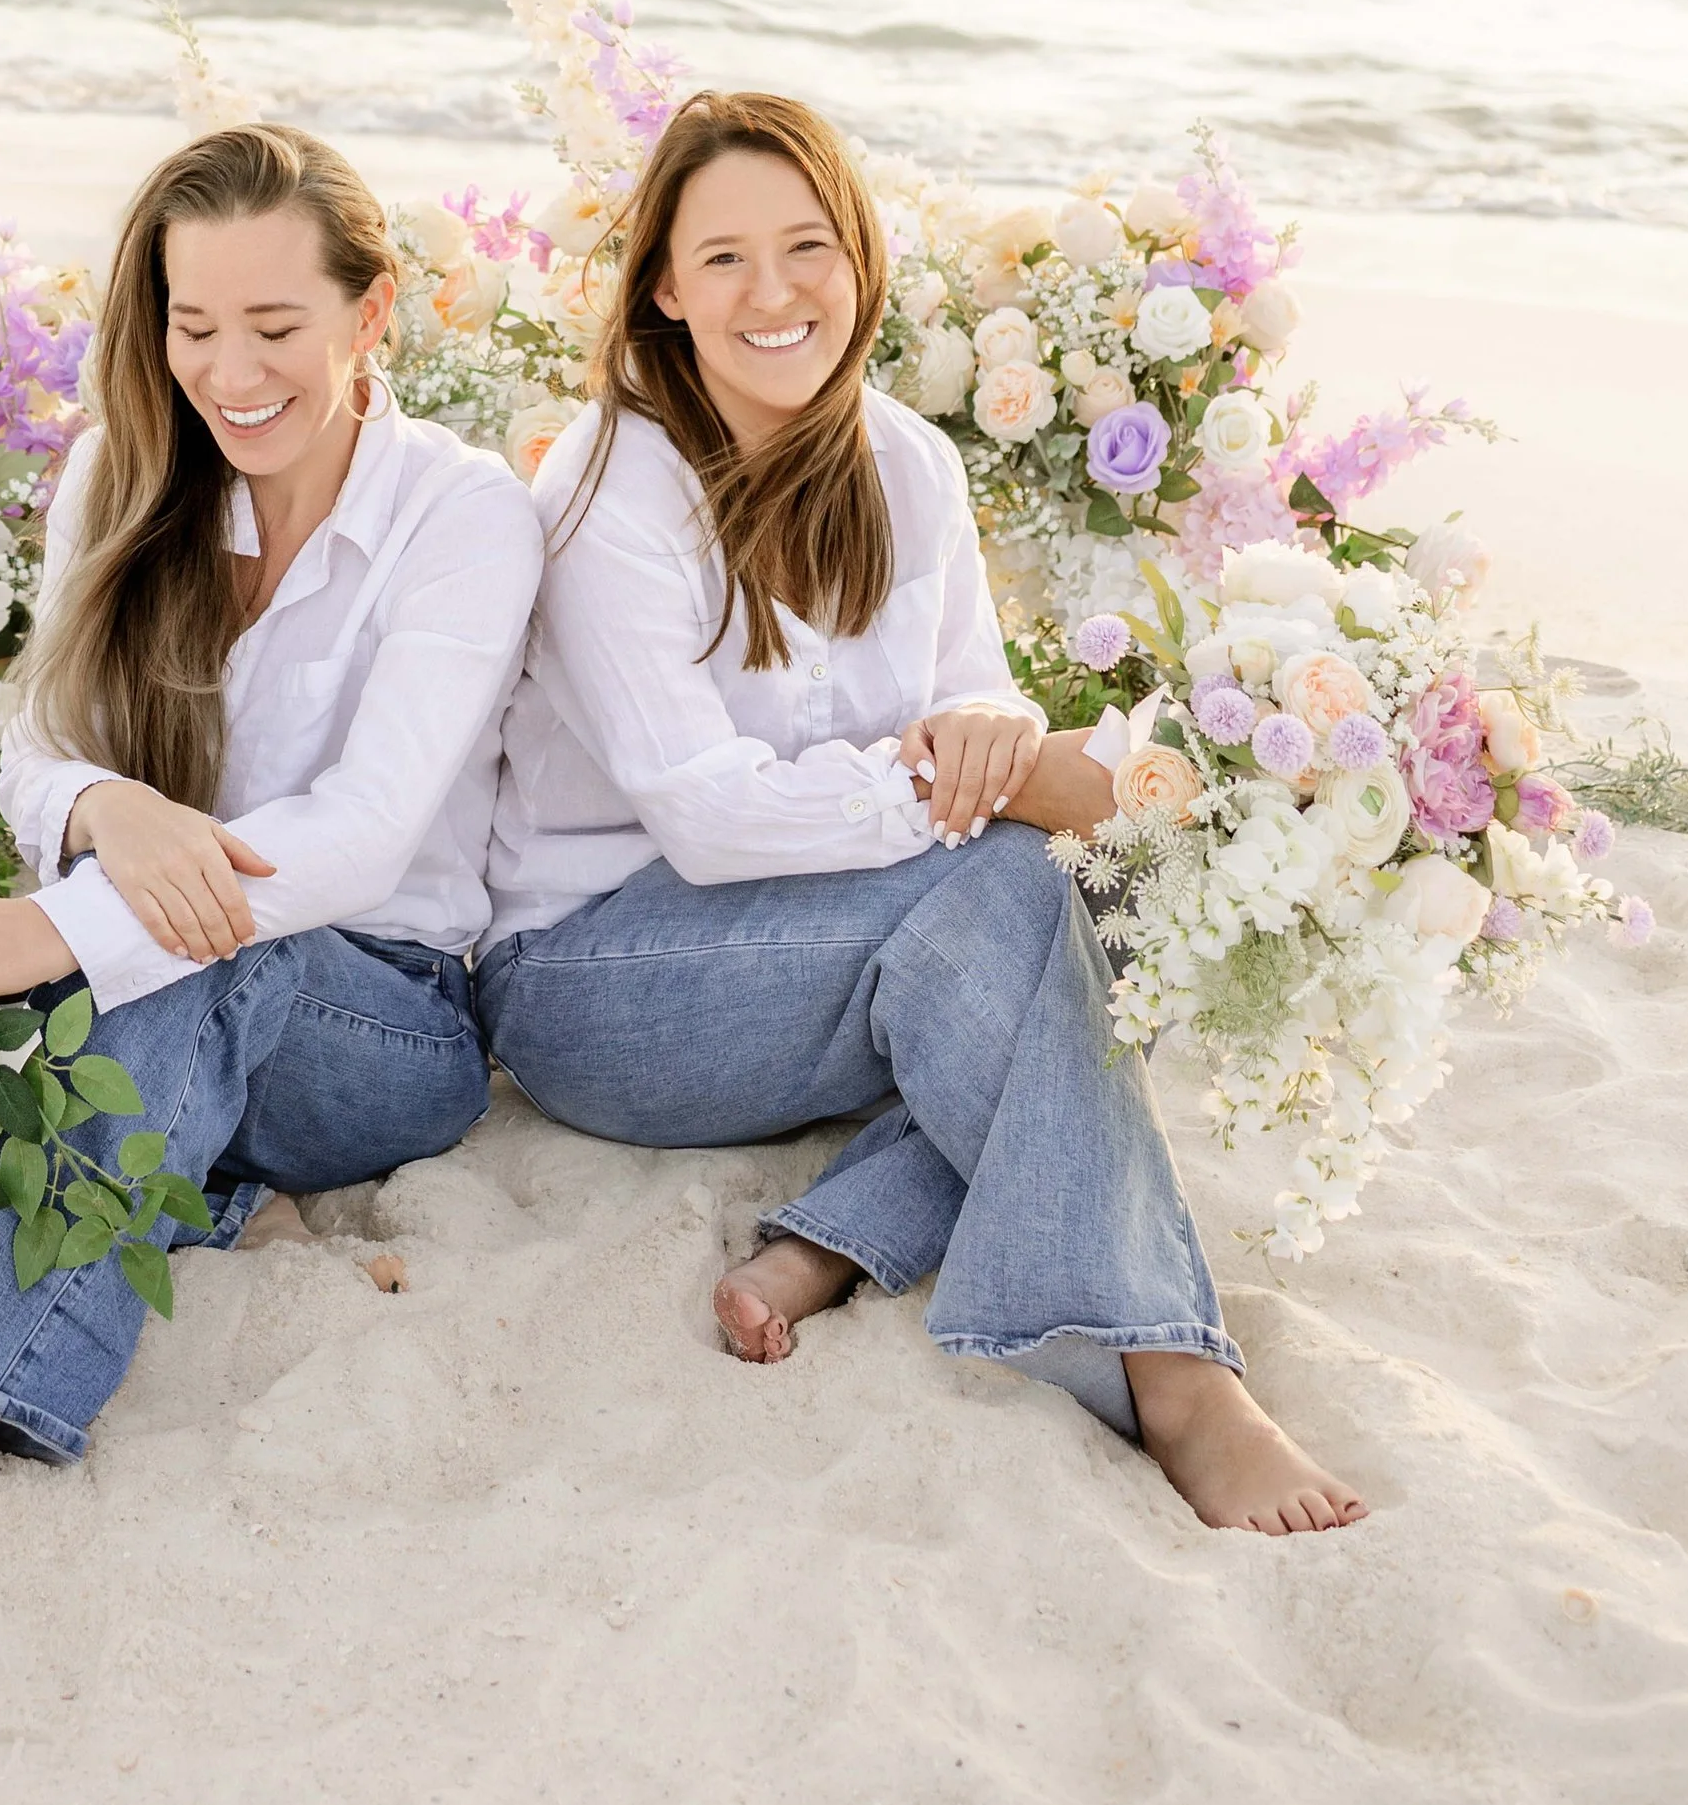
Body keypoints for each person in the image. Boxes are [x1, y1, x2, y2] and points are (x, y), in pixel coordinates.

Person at [478, 88, 1367, 1539]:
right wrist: (991, 781)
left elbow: (978, 721)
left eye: (807, 245)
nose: (774, 294)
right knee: (1027, 893)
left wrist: (1017, 764)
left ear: (861, 256)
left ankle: (835, 1239)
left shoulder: (910, 462)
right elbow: (711, 821)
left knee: (1123, 878)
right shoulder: (607, 485)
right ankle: (1169, 1371)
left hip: (815, 963)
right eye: (722, 260)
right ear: (660, 287)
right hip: (599, 980)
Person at [0, 122, 541, 1566]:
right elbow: (35, 746)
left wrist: (57, 926)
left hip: (376, 1016)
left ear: (371, 311)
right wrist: (100, 809)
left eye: (276, 325)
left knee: (202, 954)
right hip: (136, 974)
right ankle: (219, 1194)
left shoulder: (462, 513)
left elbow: (364, 840)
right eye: (195, 325)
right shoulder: (121, 475)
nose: (231, 373)